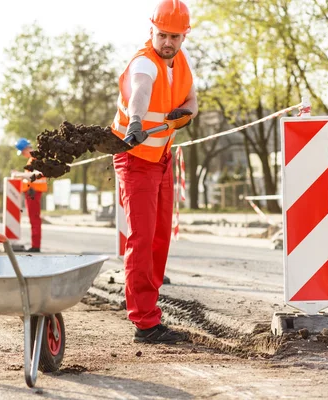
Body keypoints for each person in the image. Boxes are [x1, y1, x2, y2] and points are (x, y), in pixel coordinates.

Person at [110, 0, 198, 344]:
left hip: (161, 159)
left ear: (183, 37)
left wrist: (186, 113)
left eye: (174, 37)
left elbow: (191, 98)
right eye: (162, 34)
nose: (167, 42)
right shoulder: (145, 61)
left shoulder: (182, 63)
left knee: (160, 239)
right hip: (134, 159)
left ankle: (151, 310)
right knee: (142, 239)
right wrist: (135, 120)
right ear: (152, 30)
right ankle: (144, 322)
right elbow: (140, 90)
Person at [14, 138, 47, 253]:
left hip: (33, 192)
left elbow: (35, 175)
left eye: (22, 152)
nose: (23, 155)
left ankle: (35, 245)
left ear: (26, 149)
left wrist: (18, 174)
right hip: (32, 192)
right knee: (34, 219)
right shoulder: (32, 159)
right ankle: (35, 244)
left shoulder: (35, 159)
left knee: (34, 219)